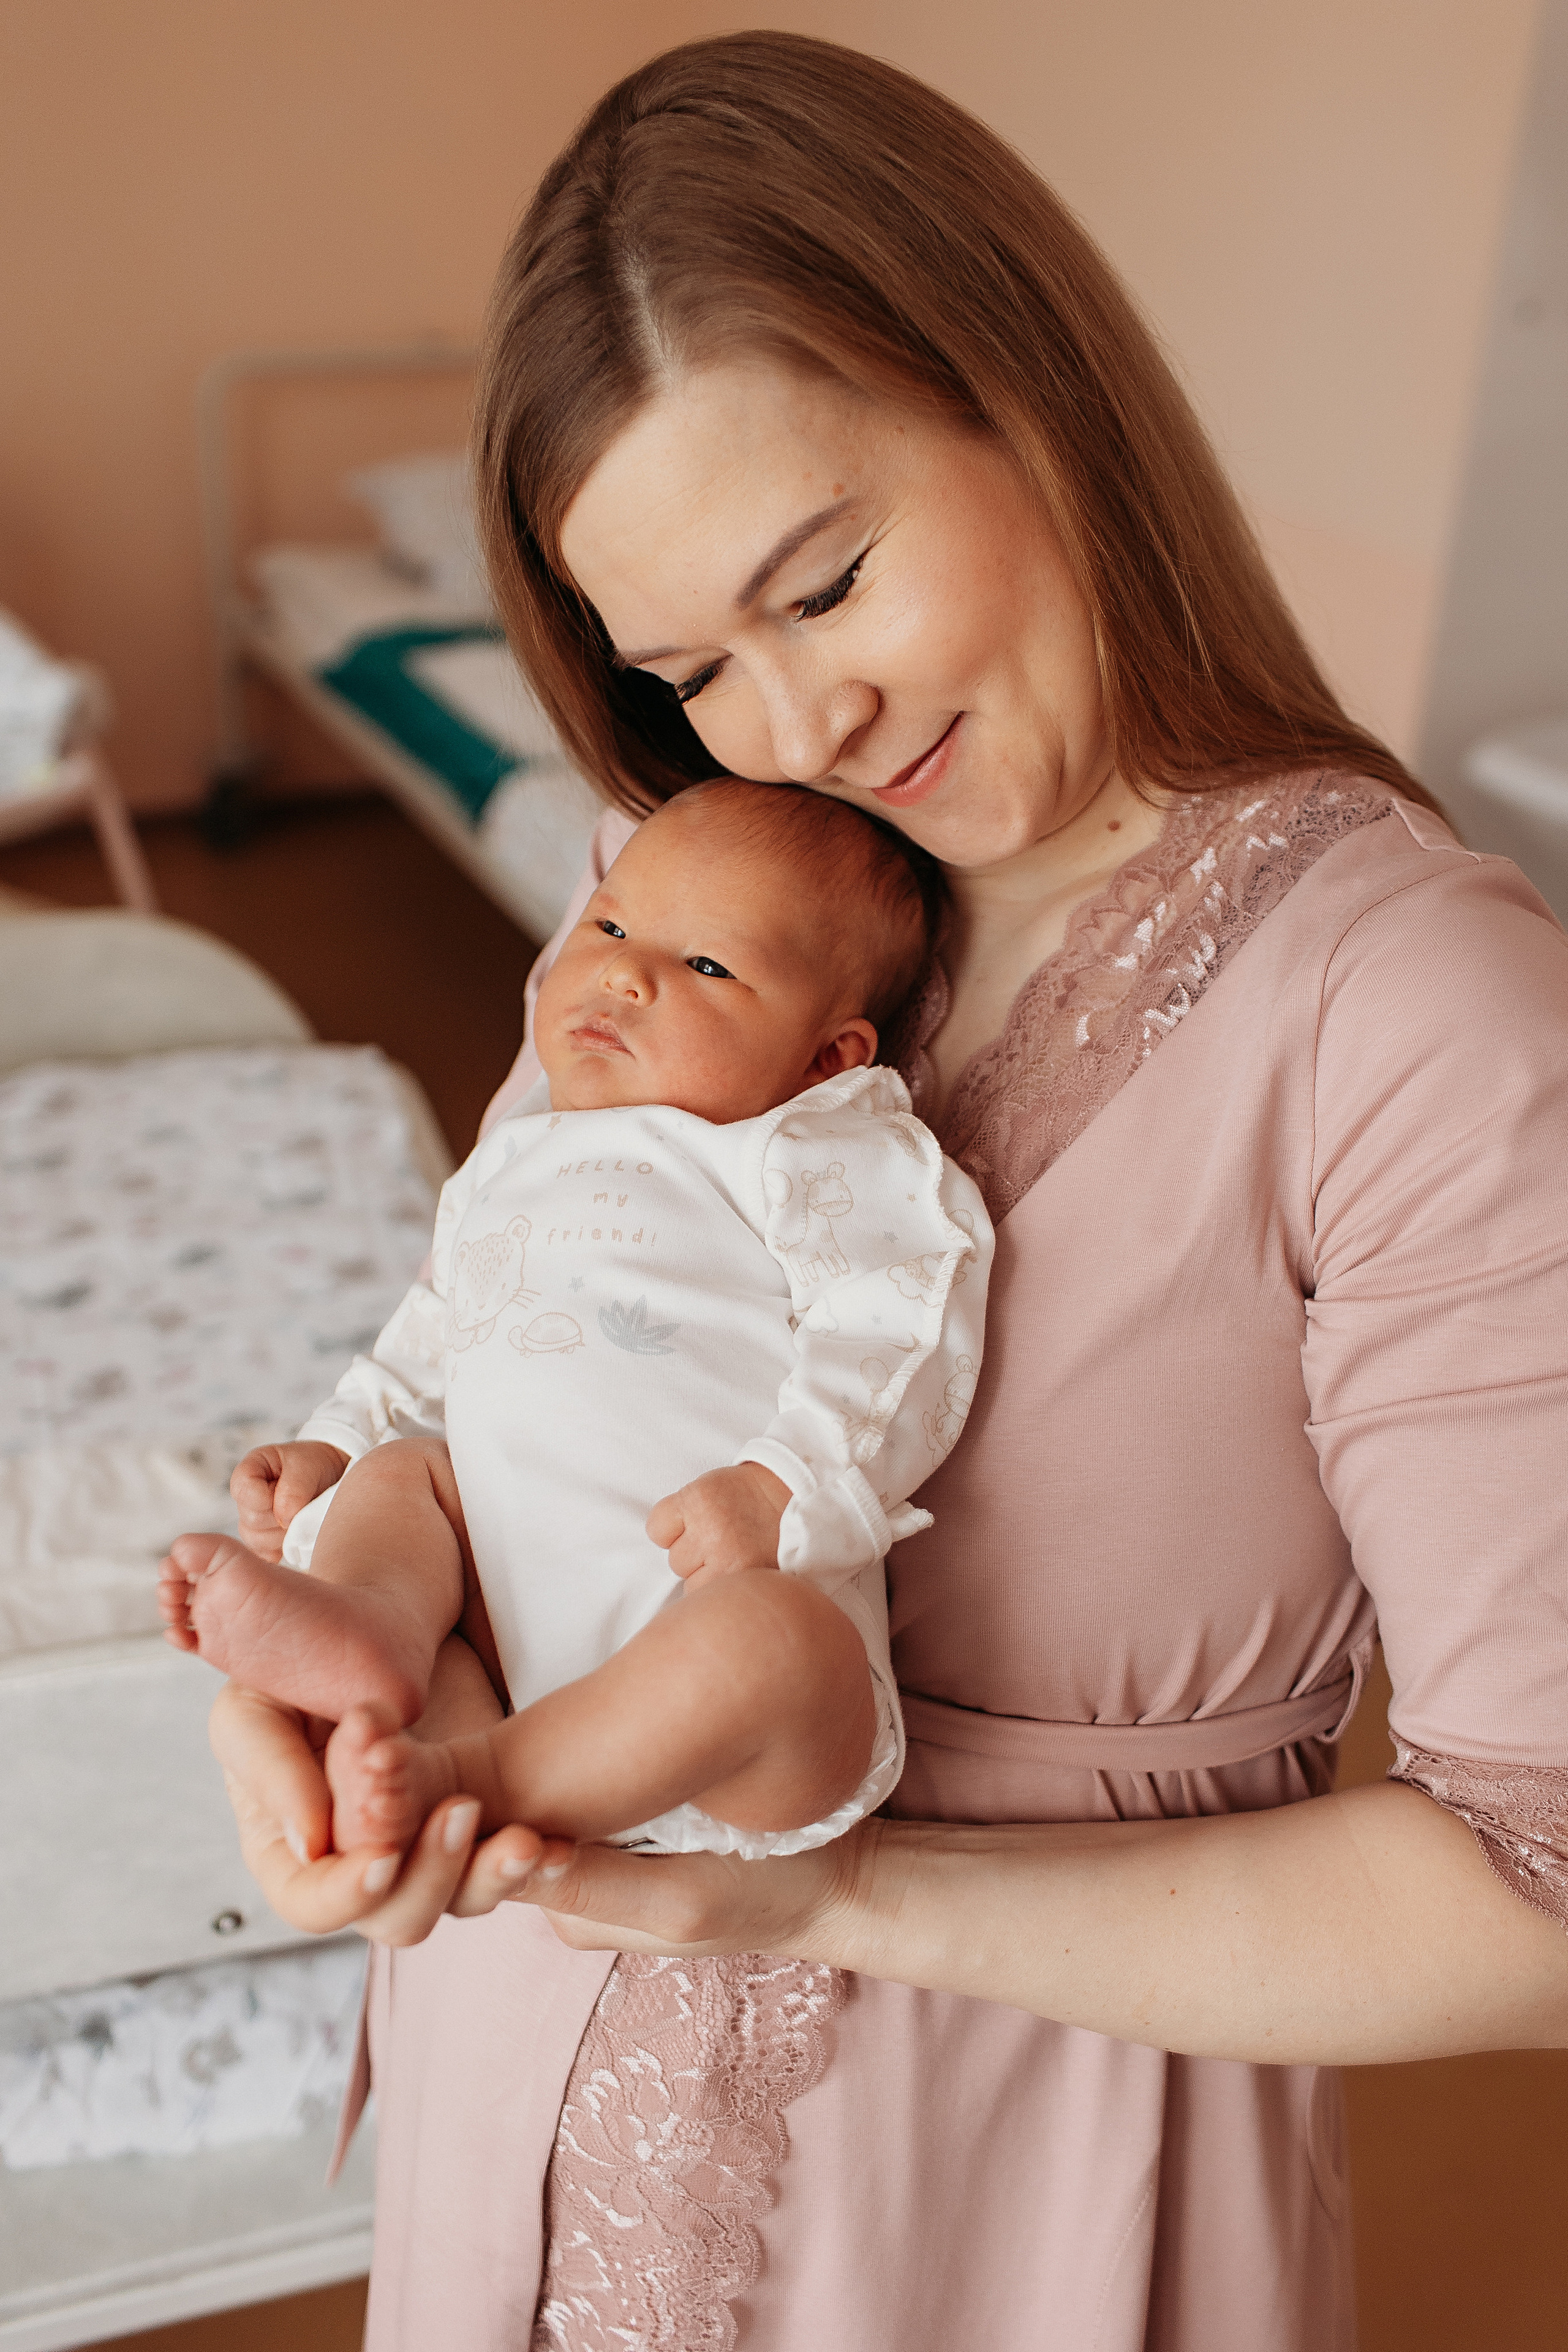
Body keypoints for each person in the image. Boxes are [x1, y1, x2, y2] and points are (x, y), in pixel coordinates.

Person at [208, 31, 1568, 2352]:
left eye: (824, 584)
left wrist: (833, 1905)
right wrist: (359, 1681)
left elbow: (1542, 1892)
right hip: (509, 2096)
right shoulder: (683, 882)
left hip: (1010, 2210)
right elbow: (522, 1367)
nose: (790, 727)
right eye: (687, 670)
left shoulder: (1412, 1010)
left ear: (1032, 390)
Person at [160, 783, 988, 1862]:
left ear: (825, 1058)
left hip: (725, 1674)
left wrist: (783, 1487)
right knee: (402, 1481)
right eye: (609, 924)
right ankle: (378, 1636)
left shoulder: (801, 1150)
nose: (624, 971)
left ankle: (484, 1776)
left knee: (773, 1640)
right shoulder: (513, 1156)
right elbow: (433, 1331)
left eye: (707, 966)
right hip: (498, 1648)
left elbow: (903, 1324)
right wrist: (336, 1444)